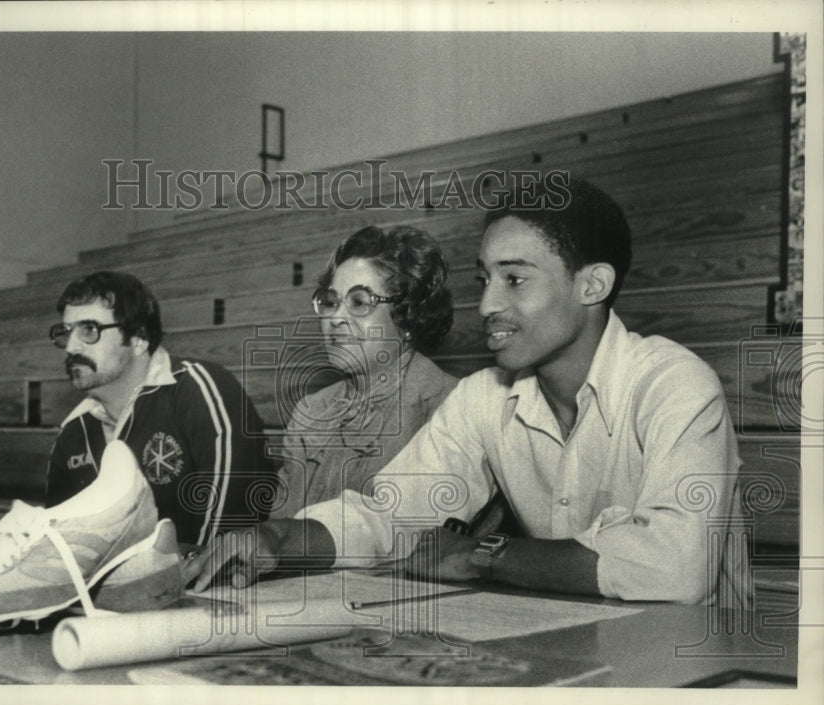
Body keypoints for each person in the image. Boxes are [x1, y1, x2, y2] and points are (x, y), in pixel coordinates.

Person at [192, 178, 749, 608]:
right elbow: (390, 516)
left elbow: (677, 569)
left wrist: (484, 555)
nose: (486, 306)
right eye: (485, 279)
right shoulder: (485, 398)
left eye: (515, 279)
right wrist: (276, 539)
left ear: (592, 284)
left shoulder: (675, 384)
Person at [45, 270, 275, 546]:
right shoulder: (73, 431)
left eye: (89, 330)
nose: (70, 346)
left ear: (139, 339)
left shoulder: (198, 388)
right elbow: (59, 549)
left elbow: (227, 537)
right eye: (65, 332)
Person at [270, 225, 458, 518]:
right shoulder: (310, 411)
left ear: (408, 316)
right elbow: (279, 529)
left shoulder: (451, 408)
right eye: (331, 302)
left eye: (359, 302)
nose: (336, 318)